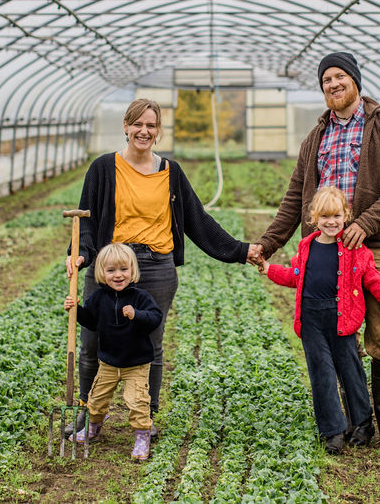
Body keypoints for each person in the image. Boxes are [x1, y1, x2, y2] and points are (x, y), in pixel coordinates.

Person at [65, 98, 262, 438]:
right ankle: (87, 416)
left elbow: (198, 221)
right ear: (126, 127)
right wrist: (80, 253)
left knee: (149, 344)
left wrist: (241, 251)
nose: (144, 130)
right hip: (110, 264)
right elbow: (87, 219)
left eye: (151, 125)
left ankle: (147, 418)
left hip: (156, 267)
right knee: (92, 342)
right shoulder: (103, 168)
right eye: (137, 124)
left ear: (158, 132)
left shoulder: (171, 172)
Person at [251, 51, 380, 451]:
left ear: (356, 81)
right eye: (326, 80)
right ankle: (351, 418)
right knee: (331, 333)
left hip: (373, 247)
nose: (333, 85)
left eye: (340, 77)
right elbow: (295, 198)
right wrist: (268, 243)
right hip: (324, 249)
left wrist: (365, 223)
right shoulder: (317, 137)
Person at [259, 186, 380, 454]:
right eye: (325, 216)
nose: (331, 222)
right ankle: (333, 431)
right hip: (311, 322)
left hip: (342, 320)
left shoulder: (355, 249)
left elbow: (374, 280)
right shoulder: (306, 247)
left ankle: (362, 424)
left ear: (346, 215)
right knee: (321, 375)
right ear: (314, 218)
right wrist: (270, 270)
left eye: (336, 215)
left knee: (351, 371)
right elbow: (295, 275)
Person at [63, 243, 162, 460]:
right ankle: (93, 428)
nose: (118, 275)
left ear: (132, 271)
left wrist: (136, 314)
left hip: (136, 364)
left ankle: (142, 435)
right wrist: (75, 309)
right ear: (102, 273)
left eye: (123, 270)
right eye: (111, 270)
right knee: (96, 399)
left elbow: (155, 318)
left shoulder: (140, 298)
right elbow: (90, 321)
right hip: (108, 363)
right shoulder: (99, 298)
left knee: (137, 402)